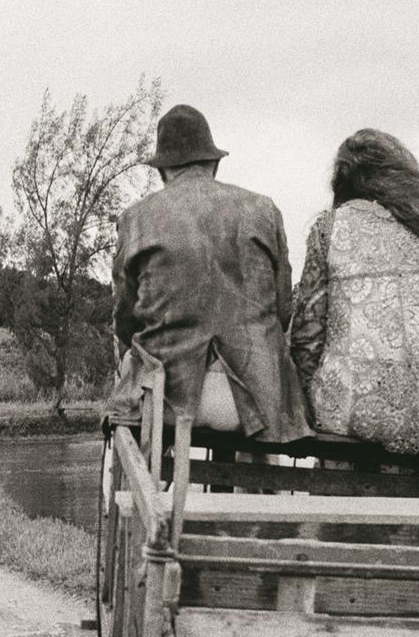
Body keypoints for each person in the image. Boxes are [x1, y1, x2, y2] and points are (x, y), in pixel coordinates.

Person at [107, 105, 313, 442]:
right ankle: (257, 489)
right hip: (259, 399)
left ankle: (146, 485)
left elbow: (125, 321)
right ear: (213, 163)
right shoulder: (264, 210)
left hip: (170, 401)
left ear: (163, 171)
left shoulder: (136, 218)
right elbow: (284, 309)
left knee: (130, 377)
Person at [287, 128, 419, 453]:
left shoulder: (329, 229)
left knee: (332, 395)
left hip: (353, 410)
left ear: (342, 181)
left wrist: (310, 401)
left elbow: (306, 337)